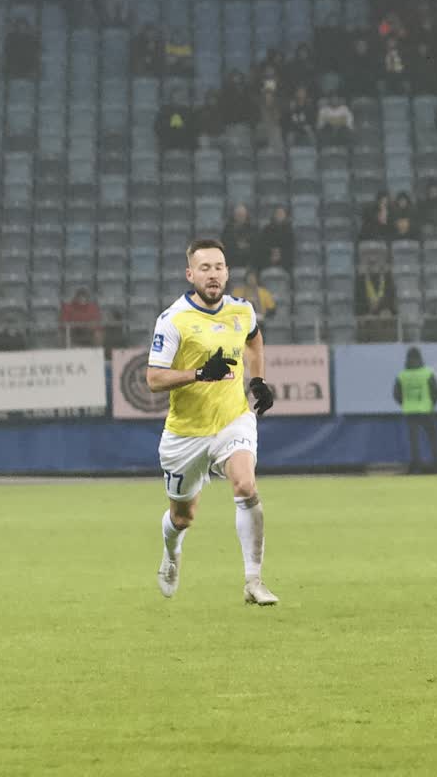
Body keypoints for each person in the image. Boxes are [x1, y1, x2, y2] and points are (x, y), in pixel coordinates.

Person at [146, 239, 277, 605]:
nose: (213, 274)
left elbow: (254, 339)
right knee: (183, 517)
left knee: (246, 485)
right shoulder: (173, 320)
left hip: (233, 420)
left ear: (227, 272)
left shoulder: (241, 310)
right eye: (204, 268)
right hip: (186, 434)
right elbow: (153, 379)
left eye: (218, 267)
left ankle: (253, 581)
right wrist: (200, 373)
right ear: (190, 274)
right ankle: (172, 552)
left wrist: (257, 379)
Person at [393, 346, 437, 473]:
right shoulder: (427, 373)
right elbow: (436, 391)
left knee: (414, 441)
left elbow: (396, 394)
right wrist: (432, 404)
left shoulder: (402, 375)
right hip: (427, 410)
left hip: (410, 411)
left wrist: (405, 403)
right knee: (433, 439)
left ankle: (417, 466)